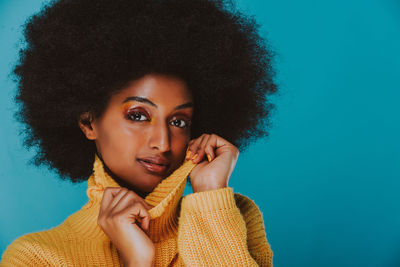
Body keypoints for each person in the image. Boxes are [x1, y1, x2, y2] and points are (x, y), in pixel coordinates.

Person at [0, 0, 278, 266]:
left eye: (179, 121)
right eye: (138, 116)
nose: (163, 143)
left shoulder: (232, 217)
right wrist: (138, 261)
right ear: (88, 123)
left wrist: (210, 195)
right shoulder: (36, 257)